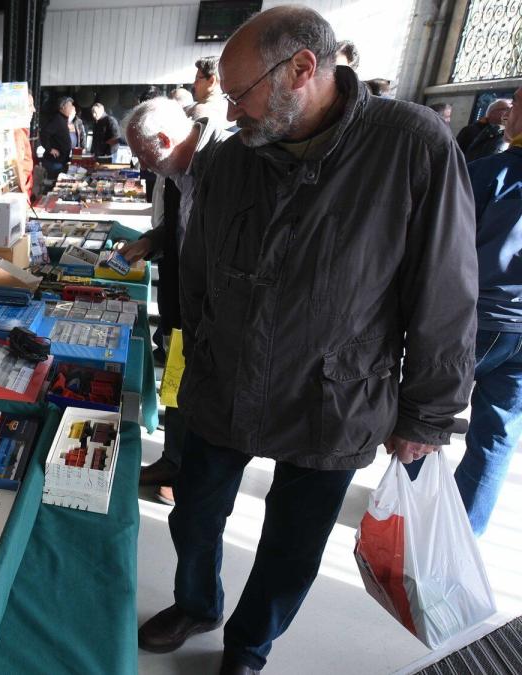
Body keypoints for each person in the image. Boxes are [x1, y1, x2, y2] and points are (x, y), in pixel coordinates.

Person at [138, 7, 476, 675]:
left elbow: (445, 290)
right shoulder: (236, 157)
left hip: (335, 387)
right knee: (196, 514)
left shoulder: (413, 145)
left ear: (302, 68)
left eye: (240, 94)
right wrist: (198, 345)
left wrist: (428, 411)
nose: (231, 113)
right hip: (225, 377)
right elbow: (199, 264)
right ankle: (197, 601)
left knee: (292, 543)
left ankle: (249, 643)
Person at [116, 97, 231, 506]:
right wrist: (150, 241)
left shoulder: (226, 166)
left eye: (145, 157)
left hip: (216, 318)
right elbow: (177, 227)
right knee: (175, 386)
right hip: (181, 305)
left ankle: (189, 475)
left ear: (165, 140)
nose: (144, 167)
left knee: (203, 399)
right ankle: (173, 458)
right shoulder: (178, 170)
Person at [444, 84, 522, 536]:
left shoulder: (489, 173)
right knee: (497, 435)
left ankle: (412, 511)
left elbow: (449, 247)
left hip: (482, 320)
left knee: (427, 419)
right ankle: (465, 533)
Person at [40, 96, 84, 176]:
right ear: (63, 107)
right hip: (54, 162)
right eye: (69, 106)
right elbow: (43, 133)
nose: (71, 109)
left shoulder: (64, 119)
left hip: (62, 161)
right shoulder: (57, 119)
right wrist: (50, 149)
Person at [457, 98, 512, 163]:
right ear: (492, 112)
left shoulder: (507, 134)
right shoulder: (470, 130)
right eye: (506, 109)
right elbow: (456, 155)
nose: (510, 112)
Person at [189, 56, 228, 121]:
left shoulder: (202, 110)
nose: (194, 84)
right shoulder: (227, 110)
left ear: (211, 81)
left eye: (197, 79)